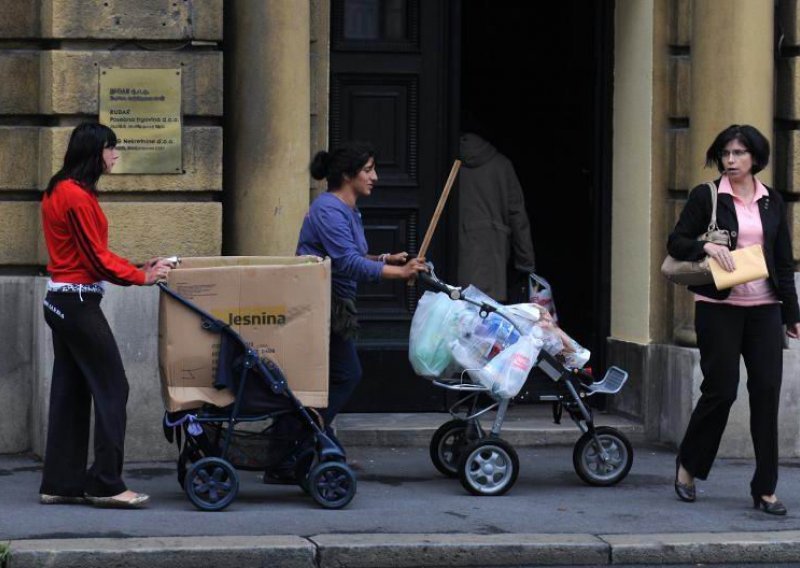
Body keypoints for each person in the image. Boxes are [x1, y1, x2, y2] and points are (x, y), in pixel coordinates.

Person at [263, 141, 428, 481]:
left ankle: (297, 450)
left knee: (321, 381)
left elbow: (350, 255)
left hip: (331, 304)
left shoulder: (347, 209)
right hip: (318, 305)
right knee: (346, 374)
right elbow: (346, 263)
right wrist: (400, 274)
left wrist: (384, 259)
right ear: (347, 174)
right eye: (368, 170)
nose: (375, 177)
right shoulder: (329, 209)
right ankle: (297, 445)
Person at [39, 122, 174, 509]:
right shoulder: (75, 196)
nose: (116, 155)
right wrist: (141, 277)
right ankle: (105, 483)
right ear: (94, 151)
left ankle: (61, 484)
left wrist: (135, 266)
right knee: (114, 387)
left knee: (72, 392)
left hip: (63, 300)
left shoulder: (60, 189)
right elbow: (94, 258)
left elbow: (88, 252)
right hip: (77, 303)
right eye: (111, 148)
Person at [667, 124, 800, 515]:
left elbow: (783, 261)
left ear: (756, 158)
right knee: (721, 391)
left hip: (764, 311)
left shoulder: (771, 201)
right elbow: (675, 243)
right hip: (718, 310)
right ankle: (689, 467)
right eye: (725, 153)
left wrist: (792, 315)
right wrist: (704, 244)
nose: (730, 160)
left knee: (765, 396)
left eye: (739, 153)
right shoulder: (706, 196)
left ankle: (765, 490)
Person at [457, 132, 536, 302]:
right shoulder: (502, 165)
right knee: (489, 315)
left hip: (460, 249)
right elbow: (517, 215)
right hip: (494, 251)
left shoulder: (450, 166)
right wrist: (525, 263)